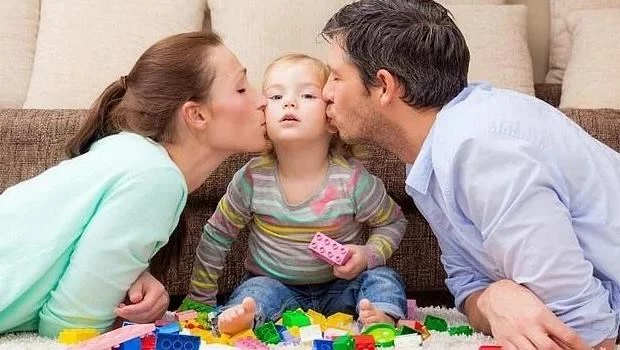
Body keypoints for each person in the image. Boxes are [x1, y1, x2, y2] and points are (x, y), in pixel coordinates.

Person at [320, 0, 620, 349]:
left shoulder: (480, 148)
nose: (325, 92)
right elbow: (466, 286)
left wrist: (497, 298)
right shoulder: (430, 155)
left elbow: (585, 333)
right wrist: (495, 297)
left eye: (336, 77)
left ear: (385, 86)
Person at [0, 31, 268, 338]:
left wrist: (131, 280)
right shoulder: (156, 178)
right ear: (196, 115)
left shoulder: (134, 156)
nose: (262, 100)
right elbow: (70, 328)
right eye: (241, 88)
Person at [187, 54, 408, 335]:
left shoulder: (352, 180)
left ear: (331, 116)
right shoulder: (253, 179)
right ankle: (243, 318)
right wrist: (201, 298)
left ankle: (382, 316)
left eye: (306, 95)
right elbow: (217, 235)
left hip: (342, 289)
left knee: (383, 278)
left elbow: (392, 221)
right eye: (276, 97)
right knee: (253, 293)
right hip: (276, 286)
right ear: (263, 116)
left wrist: (367, 255)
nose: (289, 103)